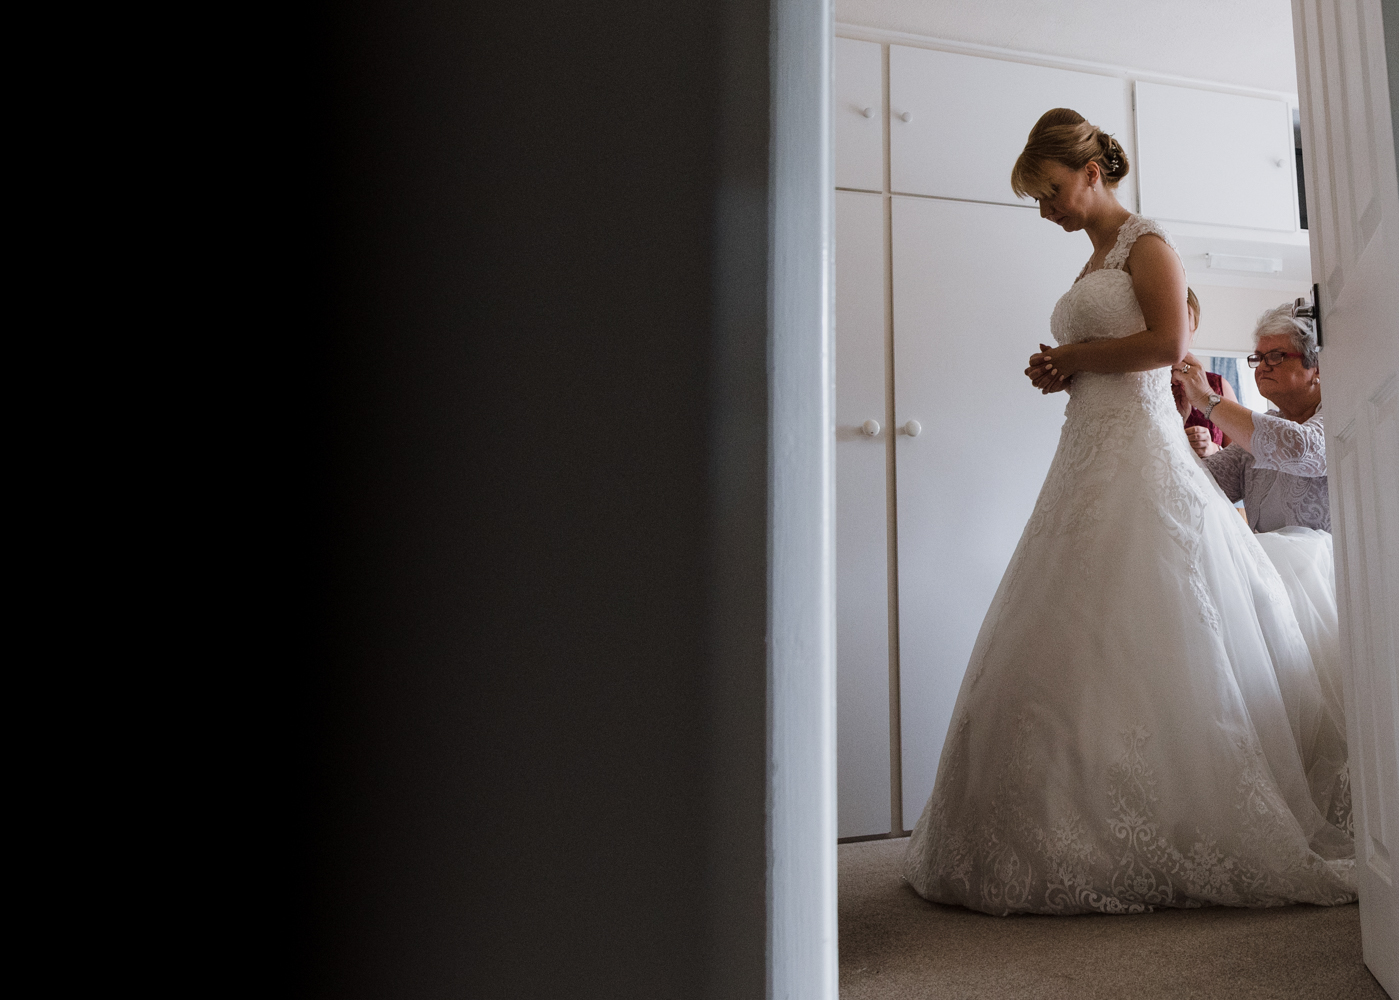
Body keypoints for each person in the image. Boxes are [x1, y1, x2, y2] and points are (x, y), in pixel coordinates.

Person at [902, 108, 1353, 916]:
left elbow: (1162, 343)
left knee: (1152, 609)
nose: (1045, 210)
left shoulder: (1148, 243)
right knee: (1067, 616)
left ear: (1087, 173)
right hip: (1088, 442)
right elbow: (1114, 357)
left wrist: (1074, 356)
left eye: (1047, 192)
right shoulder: (1091, 263)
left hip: (1135, 444)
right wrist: (1063, 373)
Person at [1173, 304, 1346, 828]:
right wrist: (1188, 442)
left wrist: (1209, 400)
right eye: (1258, 357)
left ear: (1315, 366)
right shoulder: (1259, 431)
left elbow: (1299, 451)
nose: (1262, 366)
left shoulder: (1335, 418)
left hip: (1320, 583)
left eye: (1277, 355)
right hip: (1264, 580)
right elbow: (1206, 488)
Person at [1173, 288, 1239, 457]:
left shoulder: (1218, 386)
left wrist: (1213, 448)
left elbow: (1241, 457)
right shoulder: (1133, 382)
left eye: (1183, 315)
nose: (1174, 324)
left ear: (1193, 331)